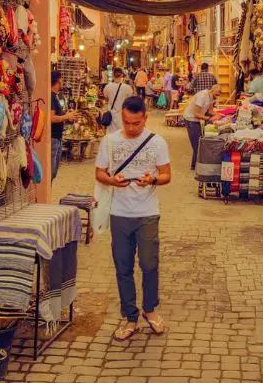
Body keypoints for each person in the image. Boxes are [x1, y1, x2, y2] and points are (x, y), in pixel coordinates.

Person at [95, 95, 171, 341]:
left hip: (147, 213)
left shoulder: (157, 143)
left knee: (149, 265)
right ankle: (130, 317)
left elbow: (167, 175)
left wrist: (153, 179)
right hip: (119, 213)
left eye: (136, 123)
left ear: (145, 119)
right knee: (123, 268)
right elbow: (99, 173)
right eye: (127, 122)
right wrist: (111, 180)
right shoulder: (109, 141)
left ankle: (150, 310)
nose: (131, 128)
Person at [183, 85, 221, 170]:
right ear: (213, 90)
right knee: (197, 144)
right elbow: (196, 114)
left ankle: (195, 165)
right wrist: (209, 118)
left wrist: (219, 115)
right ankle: (196, 166)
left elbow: (210, 111)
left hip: (195, 120)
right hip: (191, 119)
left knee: (199, 142)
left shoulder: (211, 97)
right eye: (218, 93)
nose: (218, 95)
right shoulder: (202, 96)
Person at [50, 71, 78, 180]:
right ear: (58, 80)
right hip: (53, 138)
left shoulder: (56, 96)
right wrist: (67, 116)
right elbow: (51, 118)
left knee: (53, 173)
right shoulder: (51, 96)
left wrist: (68, 115)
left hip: (57, 138)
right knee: (51, 173)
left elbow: (58, 115)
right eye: (62, 78)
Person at [103, 67, 133, 133]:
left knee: (111, 136)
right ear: (122, 75)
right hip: (123, 115)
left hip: (111, 116)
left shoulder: (107, 87)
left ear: (113, 75)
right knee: (122, 135)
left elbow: (106, 99)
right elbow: (130, 100)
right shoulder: (127, 88)